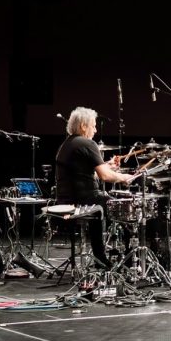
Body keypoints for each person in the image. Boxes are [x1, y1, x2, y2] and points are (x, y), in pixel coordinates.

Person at [55, 106, 134, 268]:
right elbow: (105, 176)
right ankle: (129, 260)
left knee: (103, 201)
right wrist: (124, 177)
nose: (96, 130)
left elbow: (91, 174)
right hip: (84, 199)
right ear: (84, 126)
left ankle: (100, 258)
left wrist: (108, 166)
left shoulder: (67, 144)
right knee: (126, 209)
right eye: (93, 125)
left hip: (68, 199)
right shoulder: (87, 143)